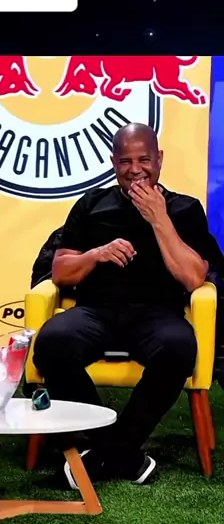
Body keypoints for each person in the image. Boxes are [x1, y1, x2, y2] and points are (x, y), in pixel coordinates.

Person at [32, 122, 215, 488]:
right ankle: (119, 451)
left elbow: (195, 278)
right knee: (52, 342)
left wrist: (159, 219)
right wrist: (97, 254)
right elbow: (61, 272)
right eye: (125, 161)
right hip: (96, 311)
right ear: (113, 162)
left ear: (159, 159)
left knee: (179, 347)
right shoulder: (91, 204)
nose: (135, 170)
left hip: (157, 314)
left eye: (144, 159)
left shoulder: (185, 209)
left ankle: (107, 451)